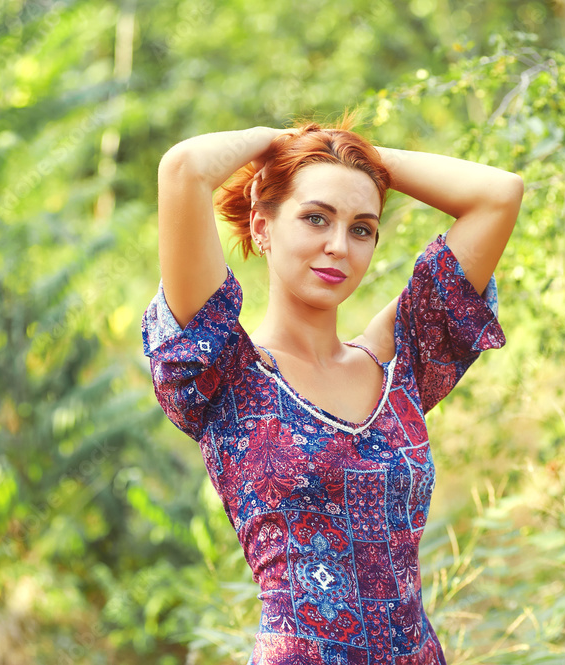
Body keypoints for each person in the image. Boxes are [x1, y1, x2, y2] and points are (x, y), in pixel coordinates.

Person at [141, 113, 522, 664]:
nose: (339, 246)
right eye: (315, 218)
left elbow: (498, 195)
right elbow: (183, 169)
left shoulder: (399, 364)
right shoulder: (224, 370)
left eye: (361, 228)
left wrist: (356, 157)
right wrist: (283, 143)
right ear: (262, 225)